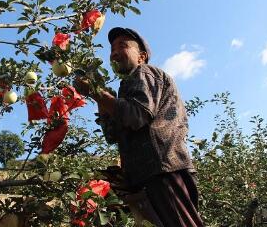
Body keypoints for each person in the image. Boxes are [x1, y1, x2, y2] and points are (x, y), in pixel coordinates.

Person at [74, 27, 204, 227]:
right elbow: (112, 135)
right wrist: (103, 100)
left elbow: (137, 116)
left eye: (122, 46)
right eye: (112, 49)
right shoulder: (126, 88)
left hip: (162, 172)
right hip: (146, 177)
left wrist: (95, 92)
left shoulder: (144, 73)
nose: (114, 52)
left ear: (142, 56)